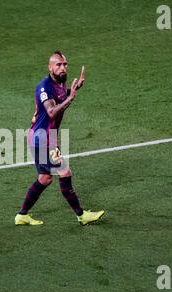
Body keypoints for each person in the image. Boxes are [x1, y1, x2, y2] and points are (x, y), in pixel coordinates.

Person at [15, 51, 105, 226]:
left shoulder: (61, 82)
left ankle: (22, 215)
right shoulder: (44, 87)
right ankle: (81, 215)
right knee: (65, 172)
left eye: (65, 64)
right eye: (58, 65)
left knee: (45, 178)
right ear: (50, 67)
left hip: (44, 137)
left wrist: (74, 88)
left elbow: (60, 97)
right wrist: (70, 99)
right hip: (43, 139)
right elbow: (51, 111)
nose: (63, 67)